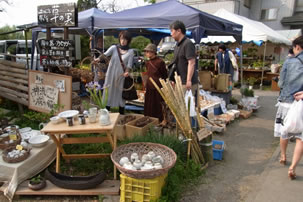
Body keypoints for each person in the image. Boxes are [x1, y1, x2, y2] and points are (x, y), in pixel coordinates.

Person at [273, 35, 303, 180]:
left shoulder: (289, 62)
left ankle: (284, 156)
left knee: (284, 132)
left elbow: (280, 84)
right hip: (301, 104)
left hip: (287, 101)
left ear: (297, 47)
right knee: (300, 138)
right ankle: (293, 167)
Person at [103, 30, 134, 115]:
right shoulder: (114, 48)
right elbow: (104, 55)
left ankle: (121, 113)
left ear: (128, 40)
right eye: (121, 39)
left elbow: (129, 65)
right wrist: (97, 59)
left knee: (120, 93)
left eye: (125, 39)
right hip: (111, 74)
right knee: (108, 90)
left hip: (121, 76)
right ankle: (107, 111)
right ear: (119, 39)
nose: (123, 41)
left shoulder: (131, 51)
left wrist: (127, 72)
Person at [169, 20, 199, 95]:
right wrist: (173, 79)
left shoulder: (188, 43)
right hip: (179, 81)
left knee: (188, 106)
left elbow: (191, 62)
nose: (171, 34)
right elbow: (176, 63)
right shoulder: (177, 45)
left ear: (179, 31)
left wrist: (188, 80)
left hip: (187, 83)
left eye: (172, 31)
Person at [143, 43, 168, 122]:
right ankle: (149, 120)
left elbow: (164, 75)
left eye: (148, 51)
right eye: (146, 51)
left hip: (158, 87)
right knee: (149, 105)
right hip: (149, 86)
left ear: (153, 52)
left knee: (157, 105)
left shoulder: (160, 62)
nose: (147, 53)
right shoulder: (147, 63)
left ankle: (159, 121)